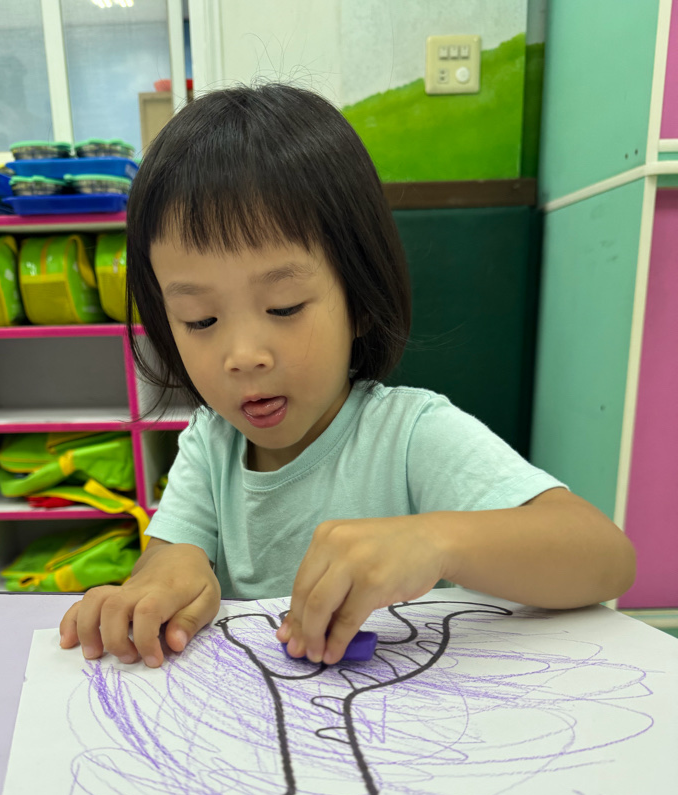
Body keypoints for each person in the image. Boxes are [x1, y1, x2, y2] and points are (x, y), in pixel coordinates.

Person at [59, 83, 636, 669]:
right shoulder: (212, 444)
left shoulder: (410, 435)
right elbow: (168, 557)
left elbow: (606, 557)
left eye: (284, 307)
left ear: (359, 299)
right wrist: (165, 577)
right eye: (199, 319)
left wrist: (437, 543)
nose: (243, 356)